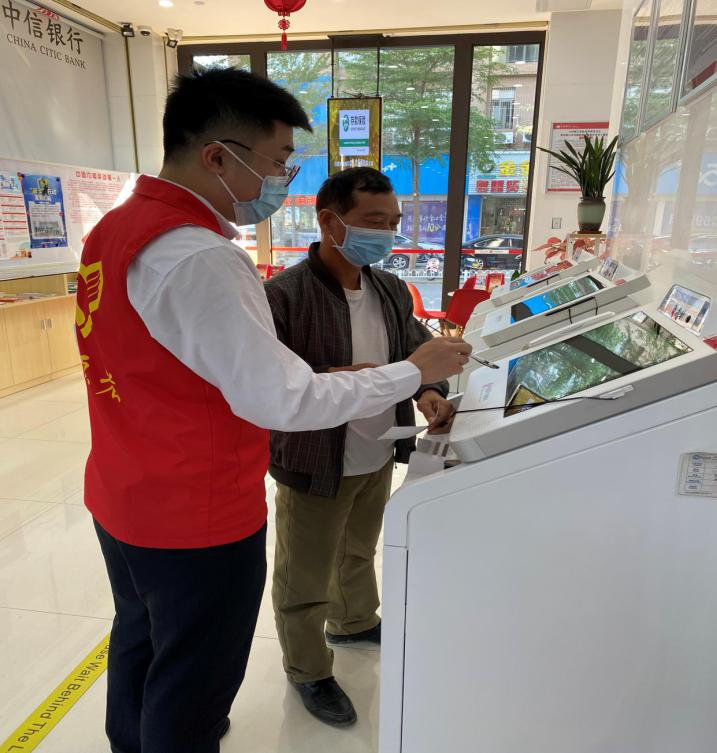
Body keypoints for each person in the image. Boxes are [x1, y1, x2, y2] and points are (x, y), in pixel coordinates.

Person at [75, 67, 471, 753]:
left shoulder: (118, 229)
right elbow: (282, 396)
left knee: (143, 638)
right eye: (279, 159)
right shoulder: (201, 257)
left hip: (127, 489)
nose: (283, 177)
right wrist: (413, 372)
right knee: (194, 677)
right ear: (217, 156)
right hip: (194, 510)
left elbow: (169, 363)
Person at [265, 168, 457, 727]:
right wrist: (337, 376)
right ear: (330, 221)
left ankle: (352, 622)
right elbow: (272, 384)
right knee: (303, 576)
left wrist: (429, 391)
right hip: (314, 460)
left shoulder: (389, 289)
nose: (387, 234)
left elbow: (413, 354)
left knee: (357, 550)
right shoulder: (284, 297)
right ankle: (307, 669)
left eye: (393, 223)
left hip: (378, 449)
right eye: (374, 221)